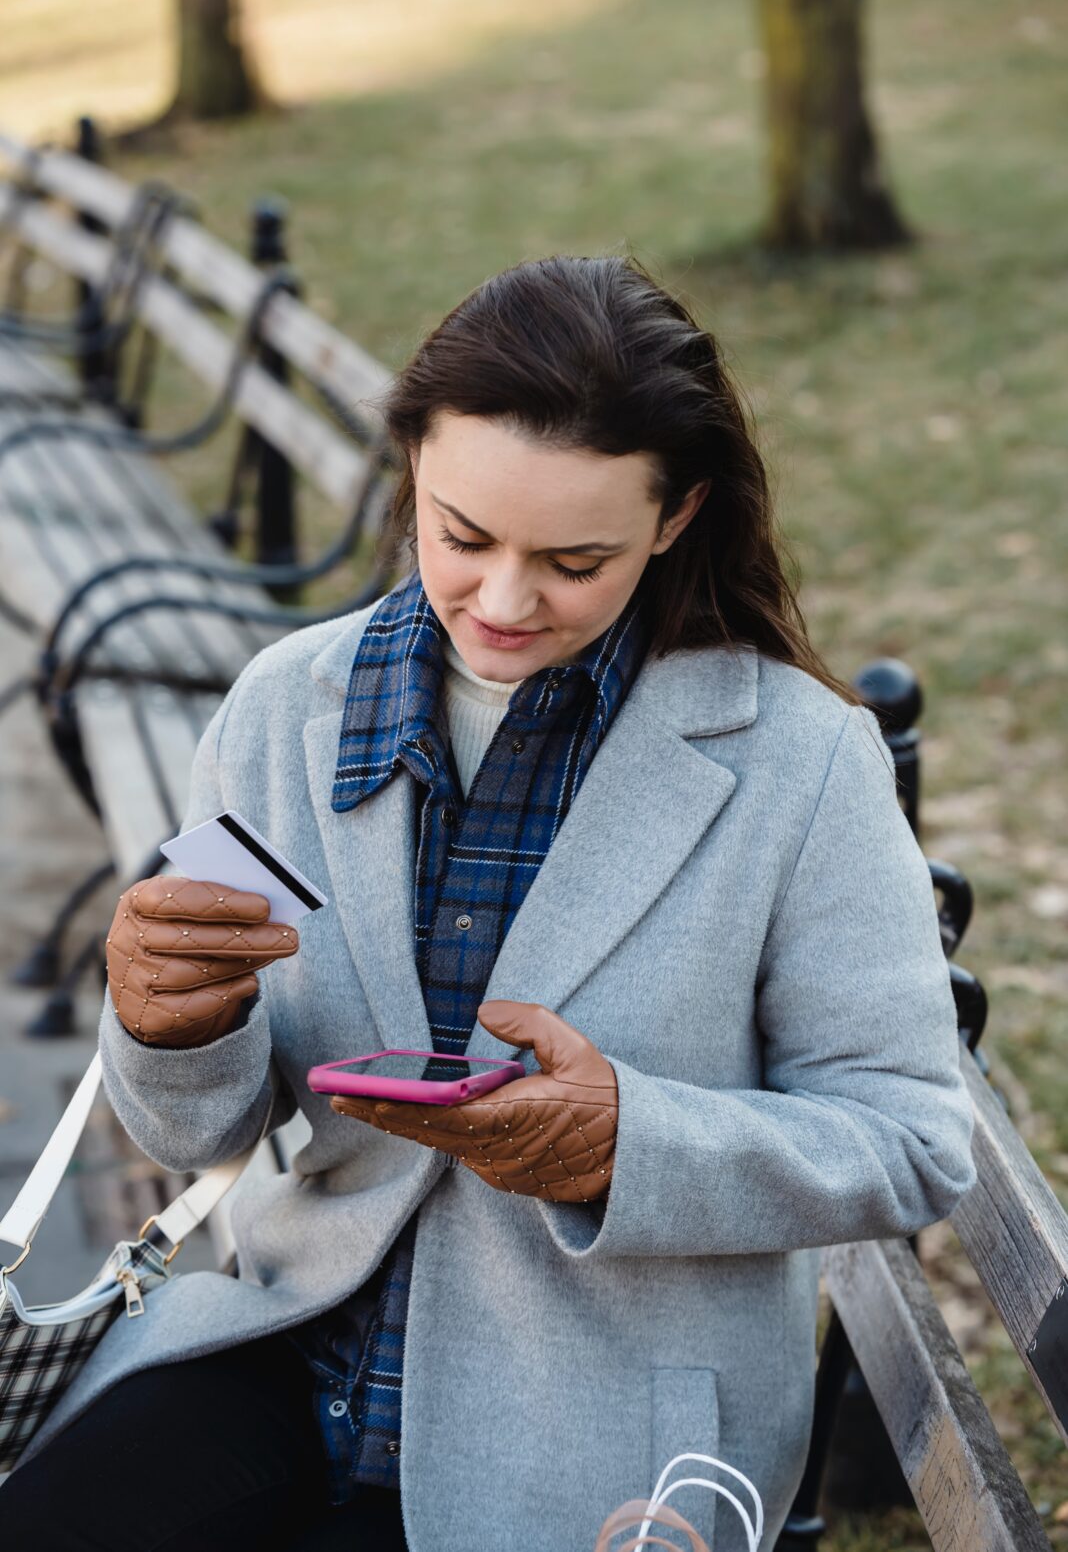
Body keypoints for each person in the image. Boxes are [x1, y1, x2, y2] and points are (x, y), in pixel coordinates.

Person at [0, 256, 976, 1552]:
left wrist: (632, 1143)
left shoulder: (799, 758)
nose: (505, 602)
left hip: (606, 1431)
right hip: (289, 1348)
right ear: (410, 467)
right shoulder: (282, 707)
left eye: (576, 559)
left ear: (677, 516)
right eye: (462, 536)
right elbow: (199, 1131)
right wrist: (166, 1021)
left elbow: (912, 1137)